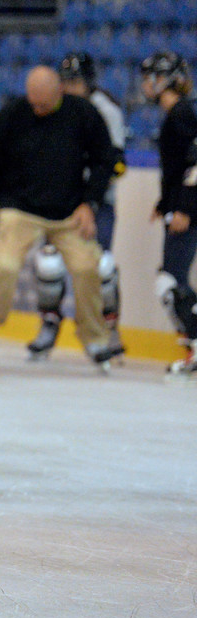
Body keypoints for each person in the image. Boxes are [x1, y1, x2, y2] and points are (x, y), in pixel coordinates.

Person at [0, 66, 115, 372]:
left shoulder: (83, 114)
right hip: (20, 209)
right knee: (3, 264)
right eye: (33, 103)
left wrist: (90, 203)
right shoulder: (12, 114)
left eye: (43, 104)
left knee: (87, 267)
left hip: (68, 211)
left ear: (60, 92)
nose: (37, 109)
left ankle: (96, 338)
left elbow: (103, 160)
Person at [27, 53, 127, 361]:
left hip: (96, 203)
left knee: (101, 266)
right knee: (49, 265)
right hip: (59, 203)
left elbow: (117, 163)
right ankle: (49, 325)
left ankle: (108, 330)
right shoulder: (55, 107)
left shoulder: (105, 110)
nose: (70, 88)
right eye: (66, 82)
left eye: (75, 83)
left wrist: (91, 193)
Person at [139, 51, 197, 377]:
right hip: (179, 207)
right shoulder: (177, 113)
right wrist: (164, 202)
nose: (146, 85)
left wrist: (185, 208)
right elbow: (178, 168)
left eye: (151, 77)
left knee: (169, 282)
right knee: (173, 280)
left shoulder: (182, 114)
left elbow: (194, 164)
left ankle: (195, 344)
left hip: (188, 210)